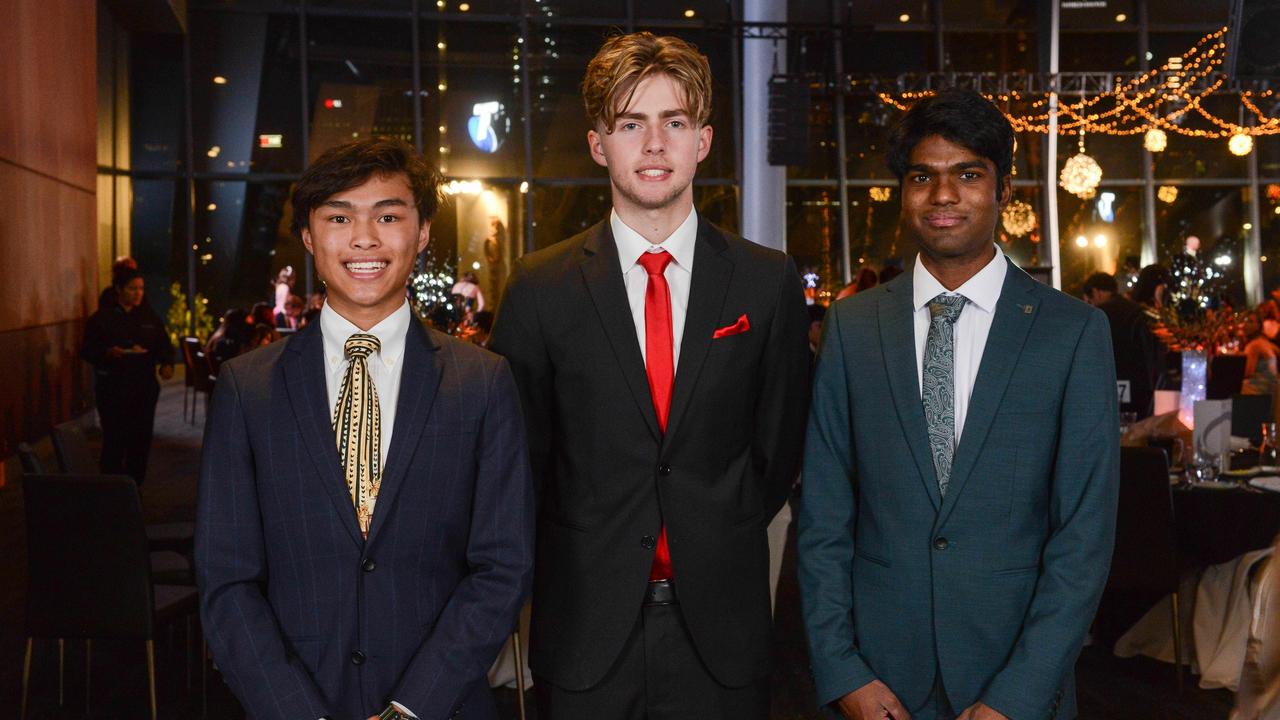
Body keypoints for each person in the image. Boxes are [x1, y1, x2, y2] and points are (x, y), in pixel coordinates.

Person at [489, 31, 810, 720]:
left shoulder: (765, 281)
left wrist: (711, 530)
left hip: (722, 632)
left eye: (675, 122)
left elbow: (778, 449)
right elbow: (523, 460)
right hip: (584, 632)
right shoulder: (539, 287)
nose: (654, 143)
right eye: (631, 124)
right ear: (600, 144)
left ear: (703, 140)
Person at [798, 88, 1119, 720]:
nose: (944, 196)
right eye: (924, 177)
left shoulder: (1072, 332)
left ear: (1004, 191)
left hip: (1018, 684)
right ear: (904, 191)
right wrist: (843, 673)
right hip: (877, 682)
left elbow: (1083, 537)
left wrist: (1018, 695)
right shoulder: (853, 327)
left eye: (968, 175)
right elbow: (823, 519)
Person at [197, 137, 534, 720]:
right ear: (308, 235)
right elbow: (227, 580)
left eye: (388, 215)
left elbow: (502, 567)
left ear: (423, 231)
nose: (364, 238)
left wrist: (413, 707)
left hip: (441, 707)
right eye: (338, 217)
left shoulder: (482, 382)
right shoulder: (246, 388)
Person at [82, 267, 175, 484]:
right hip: (113, 387)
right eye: (132, 288)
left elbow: (163, 345)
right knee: (115, 438)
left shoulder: (149, 318)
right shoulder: (102, 318)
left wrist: (166, 363)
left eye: (141, 288)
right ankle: (111, 485)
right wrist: (108, 352)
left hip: (143, 387)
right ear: (119, 290)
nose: (138, 293)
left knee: (141, 440)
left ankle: (134, 486)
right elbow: (87, 350)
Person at [1083, 271, 1163, 419]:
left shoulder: (1095, 317)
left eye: (1088, 301)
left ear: (1096, 292)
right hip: (1140, 387)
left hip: (1105, 388)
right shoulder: (1138, 312)